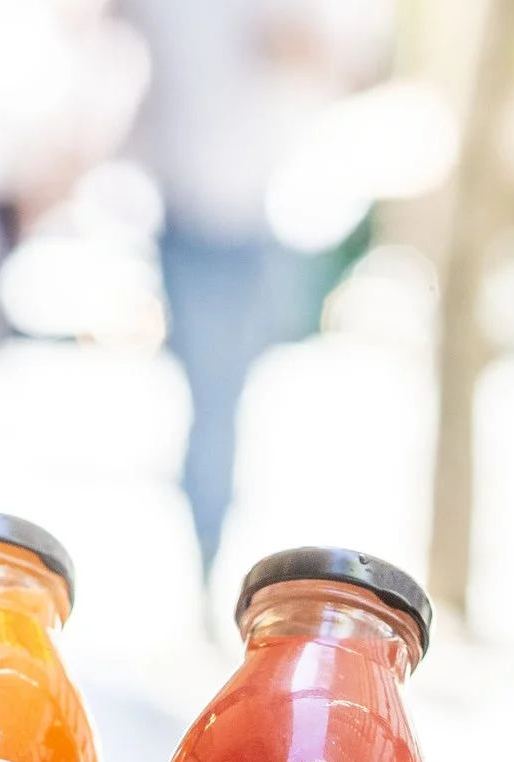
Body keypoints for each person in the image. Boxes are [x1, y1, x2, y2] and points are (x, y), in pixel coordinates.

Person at [114, 0, 383, 575]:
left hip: (258, 212)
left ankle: (215, 542)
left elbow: (343, 59)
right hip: (196, 211)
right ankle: (208, 544)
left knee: (232, 394)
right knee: (217, 395)